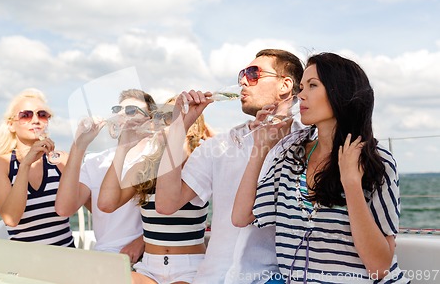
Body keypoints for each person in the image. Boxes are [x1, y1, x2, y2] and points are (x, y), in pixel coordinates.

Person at [232, 52, 410, 283]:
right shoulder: (291, 153)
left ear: (340, 93)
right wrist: (261, 149)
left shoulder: (376, 160)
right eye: (302, 86)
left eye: (312, 86)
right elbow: (241, 216)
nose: (300, 95)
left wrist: (351, 184)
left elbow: (379, 267)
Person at [155, 49, 305, 284]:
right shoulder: (220, 146)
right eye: (242, 75)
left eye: (254, 74)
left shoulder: (308, 145)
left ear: (285, 85)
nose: (244, 81)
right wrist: (179, 128)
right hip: (213, 278)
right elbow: (166, 203)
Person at [97, 101, 212, 284]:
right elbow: (106, 204)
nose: (158, 122)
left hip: (190, 268)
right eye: (158, 116)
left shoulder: (199, 165)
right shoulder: (145, 168)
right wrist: (123, 147)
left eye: (169, 117)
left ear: (189, 125)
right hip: (150, 266)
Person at [55, 89, 157, 262]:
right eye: (118, 110)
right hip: (105, 257)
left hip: (148, 257)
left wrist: (143, 241)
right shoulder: (96, 161)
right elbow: (64, 209)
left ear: (150, 122)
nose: (123, 115)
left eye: (132, 111)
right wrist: (79, 146)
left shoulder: (156, 159)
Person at [0, 88, 74, 246]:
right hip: (27, 263)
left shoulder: (61, 160)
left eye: (42, 114)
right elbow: (11, 218)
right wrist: (25, 164)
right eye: (25, 115)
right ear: (11, 125)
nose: (35, 120)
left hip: (67, 256)